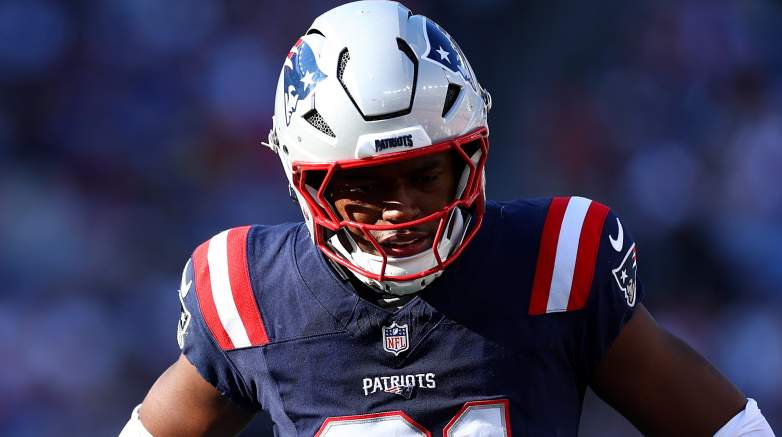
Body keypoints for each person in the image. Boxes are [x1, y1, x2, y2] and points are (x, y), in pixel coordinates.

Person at [121, 1, 775, 436]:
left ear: (471, 155)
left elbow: (730, 429)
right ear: (304, 180)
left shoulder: (556, 261)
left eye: (425, 173)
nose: (400, 207)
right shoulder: (251, 295)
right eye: (364, 186)